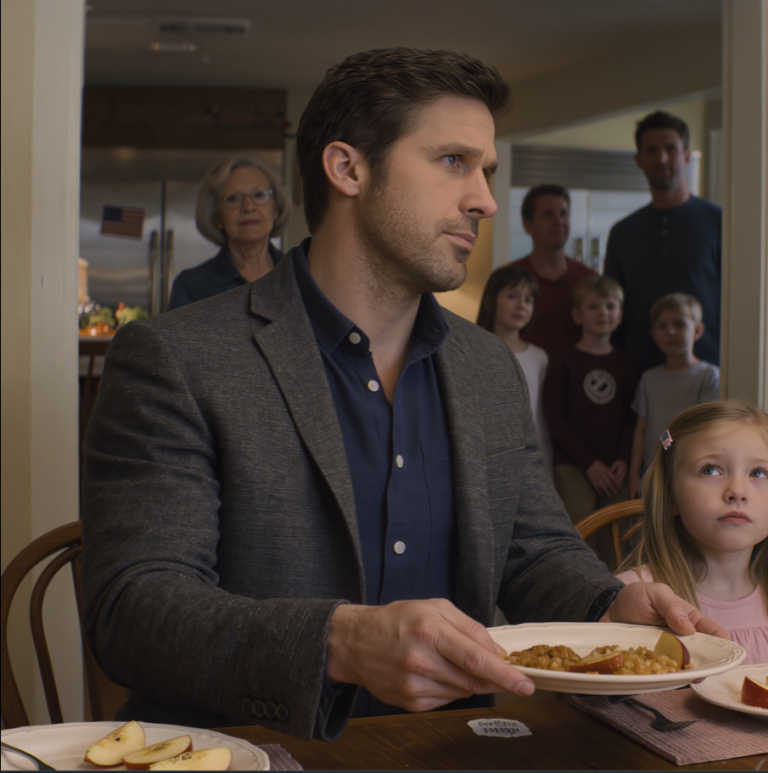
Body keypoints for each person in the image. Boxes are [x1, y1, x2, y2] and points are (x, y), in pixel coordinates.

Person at [82, 48, 727, 742]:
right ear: (347, 167)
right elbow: (133, 611)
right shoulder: (177, 358)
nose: (482, 197)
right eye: (454, 161)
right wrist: (340, 641)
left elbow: (535, 551)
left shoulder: (486, 366)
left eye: (486, 172)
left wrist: (610, 604)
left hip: (454, 749)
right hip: (248, 751)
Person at [617, 400, 768, 664]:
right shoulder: (629, 599)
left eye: (759, 472)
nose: (738, 491)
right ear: (671, 495)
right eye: (710, 470)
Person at [603, 111, 721, 372]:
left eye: (671, 149)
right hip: (639, 377)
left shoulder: (719, 222)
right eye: (652, 150)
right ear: (639, 160)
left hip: (708, 376)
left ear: (687, 156)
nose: (662, 158)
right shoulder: (622, 233)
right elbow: (613, 310)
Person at [542, 275, 639, 564]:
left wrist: (623, 459)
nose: (603, 312)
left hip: (616, 468)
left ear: (620, 315)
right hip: (573, 466)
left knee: (617, 538)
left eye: (610, 306)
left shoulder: (627, 363)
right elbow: (555, 420)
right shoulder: (562, 360)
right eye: (593, 306)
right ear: (577, 314)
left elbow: (632, 418)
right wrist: (589, 464)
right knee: (579, 536)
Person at [167, 156, 289, 310]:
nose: (248, 207)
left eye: (259, 195)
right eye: (233, 198)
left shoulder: (298, 277)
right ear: (216, 216)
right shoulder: (191, 286)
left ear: (276, 209)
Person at [629, 293, 720, 498]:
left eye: (679, 325)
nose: (670, 331)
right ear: (653, 334)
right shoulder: (649, 378)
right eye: (662, 326)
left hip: (691, 469)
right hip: (653, 472)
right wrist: (634, 475)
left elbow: (708, 427)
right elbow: (641, 428)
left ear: (698, 330)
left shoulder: (709, 376)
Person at [477, 264, 552, 478]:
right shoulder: (476, 352)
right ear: (491, 300)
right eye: (512, 296)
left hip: (532, 461)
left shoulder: (539, 357)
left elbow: (541, 418)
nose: (521, 305)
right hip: (487, 460)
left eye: (528, 300)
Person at [511, 184, 597, 356]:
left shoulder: (590, 280)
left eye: (564, 214)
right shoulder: (510, 279)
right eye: (548, 215)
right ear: (528, 225)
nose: (559, 221)